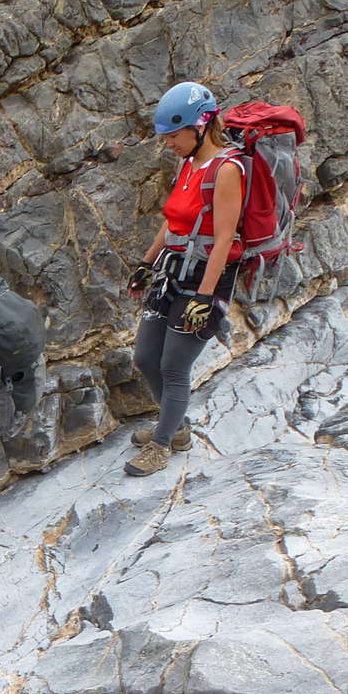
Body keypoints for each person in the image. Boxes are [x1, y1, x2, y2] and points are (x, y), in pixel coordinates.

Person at [124, 80, 245, 476]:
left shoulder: (227, 170)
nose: (169, 143)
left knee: (174, 367)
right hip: (172, 271)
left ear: (200, 126)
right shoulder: (187, 164)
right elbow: (173, 221)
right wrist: (146, 263)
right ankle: (174, 427)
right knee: (146, 357)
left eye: (174, 135)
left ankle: (163, 445)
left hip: (205, 280)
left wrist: (205, 298)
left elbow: (224, 238)